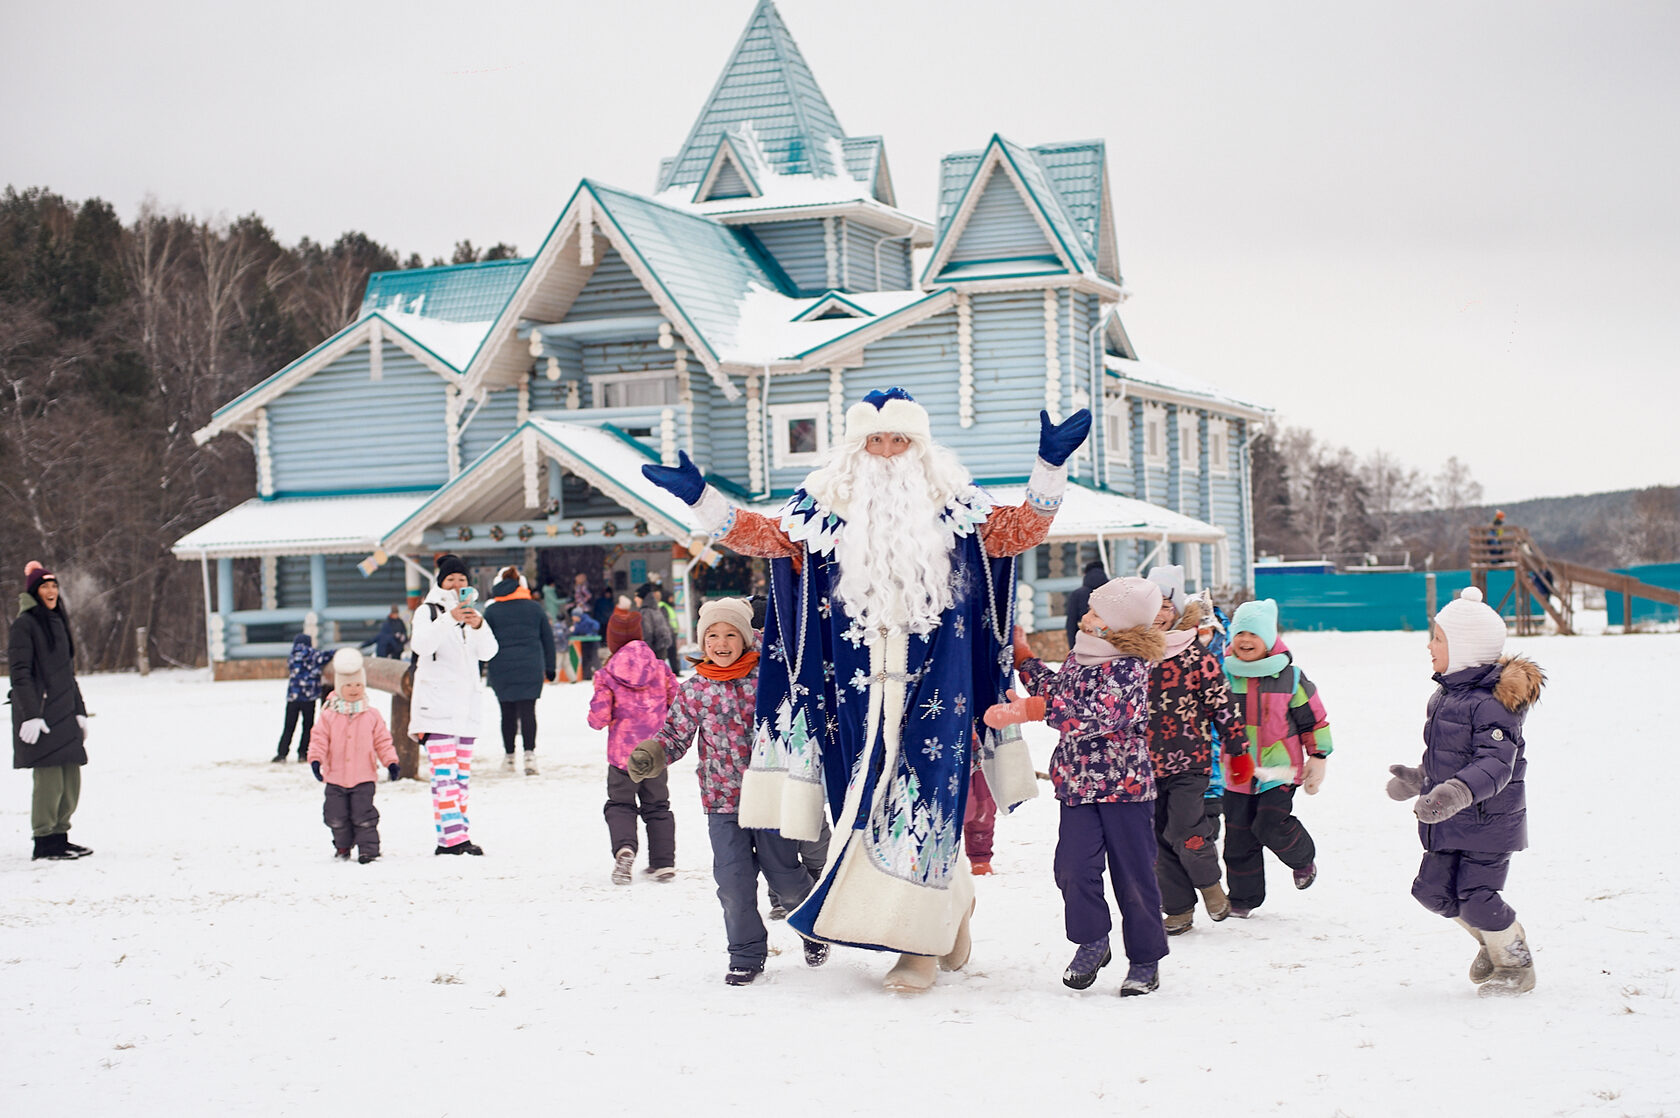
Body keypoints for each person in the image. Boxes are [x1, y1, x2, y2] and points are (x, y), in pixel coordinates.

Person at [643, 386, 1086, 993]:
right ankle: (949, 907)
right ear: (854, 447)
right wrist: (700, 497)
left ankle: (917, 948)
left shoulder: (958, 509)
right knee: (862, 807)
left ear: (920, 446)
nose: (886, 452)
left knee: (925, 804)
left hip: (941, 687)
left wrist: (1050, 467)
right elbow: (760, 537)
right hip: (850, 695)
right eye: (874, 440)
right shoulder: (821, 513)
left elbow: (1026, 529)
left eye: (898, 440)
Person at [627, 599, 828, 985]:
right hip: (721, 801)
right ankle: (746, 955)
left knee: (785, 877)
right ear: (703, 641)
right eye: (713, 635)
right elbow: (674, 735)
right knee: (733, 884)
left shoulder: (769, 679)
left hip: (769, 797)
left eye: (730, 634)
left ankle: (810, 926)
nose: (721, 642)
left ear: (745, 637)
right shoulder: (696, 689)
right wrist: (651, 753)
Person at [988, 576, 1170, 996]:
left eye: (1094, 613)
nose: (1084, 618)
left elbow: (1099, 714)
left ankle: (1144, 960)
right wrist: (1025, 660)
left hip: (1125, 790)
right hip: (1078, 786)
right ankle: (1092, 940)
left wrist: (1029, 711)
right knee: (1072, 868)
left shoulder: (1130, 665)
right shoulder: (1082, 655)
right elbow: (1060, 692)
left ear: (1117, 625)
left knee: (1135, 877)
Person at [1388, 586, 1543, 996]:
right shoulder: (1445, 695)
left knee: (1477, 896)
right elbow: (1449, 757)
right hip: (1451, 819)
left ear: (1464, 648)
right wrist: (1418, 779)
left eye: (1438, 638)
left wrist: (1451, 794)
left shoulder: (1493, 704)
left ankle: (1515, 963)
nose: (1429, 645)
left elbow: (1495, 764)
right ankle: (1494, 943)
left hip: (1488, 822)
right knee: (1432, 892)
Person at [1140, 567, 1245, 936]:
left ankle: (1210, 885)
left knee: (1186, 829)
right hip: (1143, 767)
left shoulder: (1194, 654)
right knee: (1157, 838)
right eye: (1152, 604)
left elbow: (1222, 703)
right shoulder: (1130, 655)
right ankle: (1179, 907)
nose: (1159, 613)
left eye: (1166, 605)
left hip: (1190, 763)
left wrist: (1239, 748)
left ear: (1178, 608)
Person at [1219, 598, 1332, 917]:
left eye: (1253, 634)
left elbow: (1314, 720)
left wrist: (1318, 755)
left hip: (1280, 767)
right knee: (1238, 838)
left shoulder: (1290, 677)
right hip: (1237, 770)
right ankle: (1243, 899)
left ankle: (1302, 859)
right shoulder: (1223, 675)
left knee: (1270, 824)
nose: (1244, 641)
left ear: (1268, 638)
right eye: (1240, 633)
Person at [409, 553, 499, 855]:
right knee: (443, 776)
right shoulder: (428, 611)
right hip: (435, 708)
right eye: (451, 579)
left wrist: (478, 625)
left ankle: (457, 834)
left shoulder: (473, 614)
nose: (456, 584)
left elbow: (488, 653)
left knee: (460, 777)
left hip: (466, 708)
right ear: (441, 582)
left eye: (462, 579)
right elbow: (420, 645)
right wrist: (449, 619)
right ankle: (452, 840)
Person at [10, 562, 92, 861]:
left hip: (64, 711)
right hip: (42, 714)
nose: (51, 591)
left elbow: (67, 674)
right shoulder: (25, 624)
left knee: (70, 780)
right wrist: (31, 714)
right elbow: (20, 673)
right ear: (34, 590)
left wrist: (80, 710)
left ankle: (60, 836)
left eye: (54, 586)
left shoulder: (58, 620)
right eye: (45, 586)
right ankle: (44, 840)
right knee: (49, 782)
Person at [587, 627, 679, 884]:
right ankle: (663, 863)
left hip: (622, 755)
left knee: (620, 804)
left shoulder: (607, 674)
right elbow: (677, 703)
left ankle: (625, 849)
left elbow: (599, 718)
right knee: (658, 806)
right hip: (655, 751)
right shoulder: (660, 669)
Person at [307, 648, 399, 863]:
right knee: (335, 816)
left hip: (364, 776)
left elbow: (382, 741)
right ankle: (343, 845)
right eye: (348, 685)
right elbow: (319, 740)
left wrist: (391, 762)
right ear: (339, 687)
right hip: (336, 776)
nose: (354, 689)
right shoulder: (329, 715)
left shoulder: (371, 715)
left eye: (358, 684)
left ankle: (368, 850)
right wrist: (316, 760)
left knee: (364, 816)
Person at [483, 565, 555, 775]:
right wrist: (550, 668)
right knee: (528, 711)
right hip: (530, 665)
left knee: (506, 713)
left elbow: (482, 640)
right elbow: (547, 639)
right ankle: (530, 756)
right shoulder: (534, 608)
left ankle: (509, 758)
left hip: (501, 667)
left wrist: (478, 668)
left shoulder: (492, 610)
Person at [276, 633, 333, 762]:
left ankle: (282, 753)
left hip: (293, 698)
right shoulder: (314, 656)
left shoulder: (292, 657)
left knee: (289, 726)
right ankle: (303, 753)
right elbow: (328, 655)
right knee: (307, 727)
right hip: (309, 697)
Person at [1064, 560, 1108, 652]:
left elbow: (1071, 624)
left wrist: (1073, 648)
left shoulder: (1077, 594)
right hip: (1107, 640)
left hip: (1084, 640)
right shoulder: (1112, 592)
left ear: (1085, 574)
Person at [637, 589, 675, 667]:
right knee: (660, 670)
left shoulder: (646, 611)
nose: (635, 599)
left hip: (655, 645)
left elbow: (647, 632)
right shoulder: (656, 609)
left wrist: (646, 649)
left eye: (637, 597)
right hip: (662, 643)